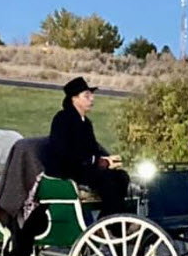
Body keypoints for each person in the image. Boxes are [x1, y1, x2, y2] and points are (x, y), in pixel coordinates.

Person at [45, 77, 130, 217]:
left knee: (122, 177)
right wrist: (95, 161)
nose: (92, 99)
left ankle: (107, 219)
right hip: (67, 170)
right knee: (107, 180)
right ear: (74, 99)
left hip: (84, 169)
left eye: (91, 95)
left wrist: (106, 160)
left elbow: (93, 148)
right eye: (87, 96)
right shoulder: (62, 119)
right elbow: (63, 152)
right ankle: (111, 223)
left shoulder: (86, 123)